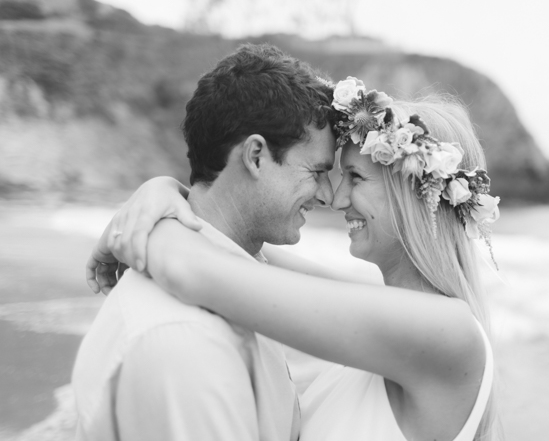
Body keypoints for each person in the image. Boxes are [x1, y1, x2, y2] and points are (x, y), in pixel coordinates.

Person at [89, 79, 501, 440]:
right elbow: (236, 245)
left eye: (354, 178)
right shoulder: (390, 314)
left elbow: (191, 268)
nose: (336, 199)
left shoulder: (447, 333)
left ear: (412, 195)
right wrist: (161, 193)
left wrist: (144, 226)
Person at [72, 43, 338, 441]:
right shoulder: (188, 342)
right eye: (316, 171)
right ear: (256, 157)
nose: (326, 195)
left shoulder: (240, 281)